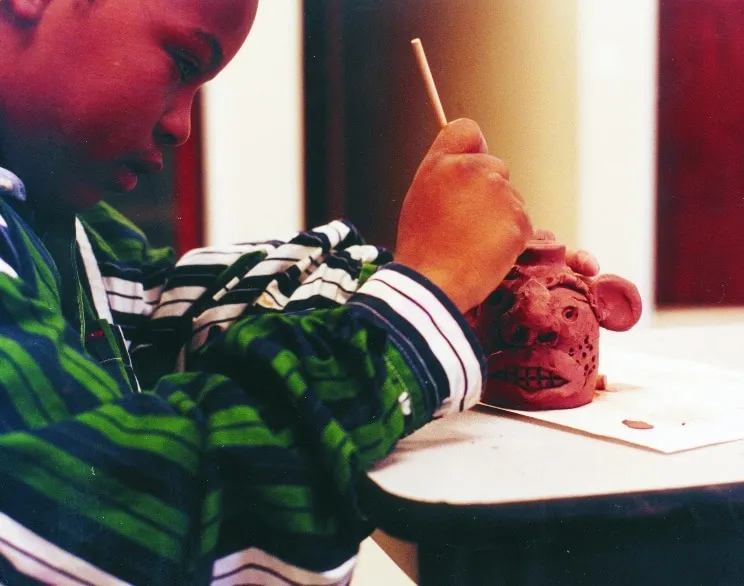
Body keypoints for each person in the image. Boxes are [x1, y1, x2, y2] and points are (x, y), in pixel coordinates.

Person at [0, 0, 535, 584]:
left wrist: (441, 286)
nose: (180, 125)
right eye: (183, 62)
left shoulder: (51, 217)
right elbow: (136, 507)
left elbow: (167, 315)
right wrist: (421, 301)